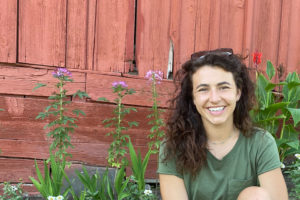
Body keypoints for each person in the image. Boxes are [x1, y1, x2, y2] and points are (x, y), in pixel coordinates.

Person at [157, 48, 288, 200]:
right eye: (203, 89)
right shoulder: (173, 147)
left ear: (238, 92)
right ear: (193, 97)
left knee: (256, 195)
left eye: (223, 87)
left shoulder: (260, 143)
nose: (214, 98)